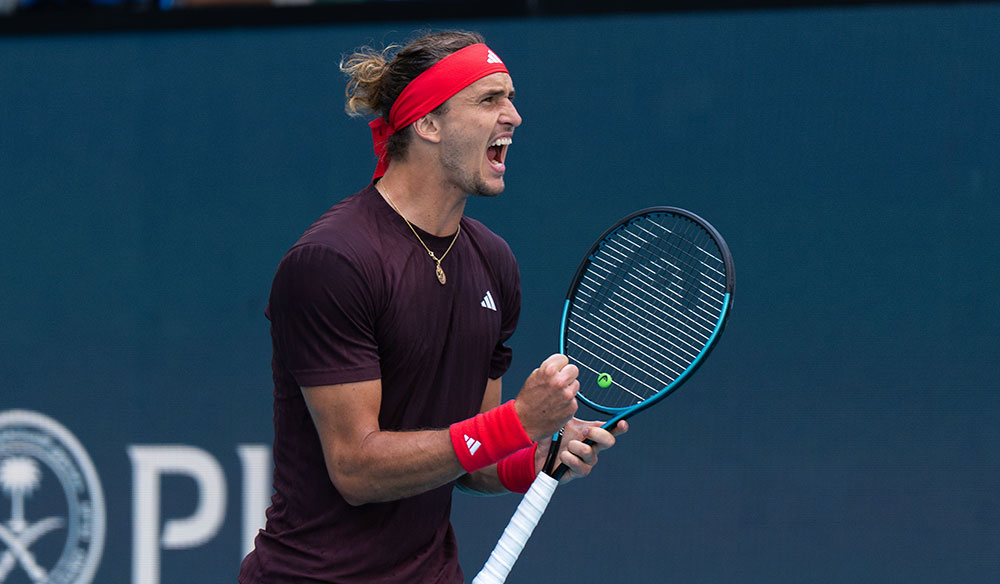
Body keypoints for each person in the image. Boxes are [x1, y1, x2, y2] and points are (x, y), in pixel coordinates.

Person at [238, 30, 627, 584]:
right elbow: (356, 468)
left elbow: (475, 458)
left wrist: (535, 454)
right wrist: (516, 421)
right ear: (428, 123)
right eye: (489, 99)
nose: (513, 116)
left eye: (510, 97)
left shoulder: (494, 263)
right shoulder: (333, 261)